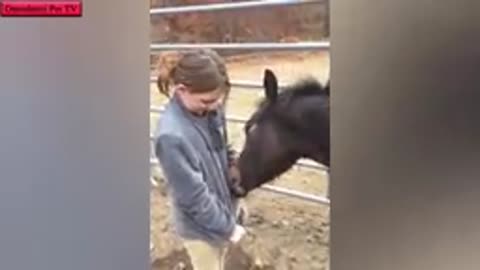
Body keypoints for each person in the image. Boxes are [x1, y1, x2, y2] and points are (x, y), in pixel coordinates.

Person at [153, 49, 247, 270]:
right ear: (182, 90)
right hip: (200, 230)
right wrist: (228, 228)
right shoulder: (171, 137)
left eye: (218, 100)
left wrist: (235, 168)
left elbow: (223, 146)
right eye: (207, 101)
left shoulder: (209, 110)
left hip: (222, 213)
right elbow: (193, 197)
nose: (215, 106)